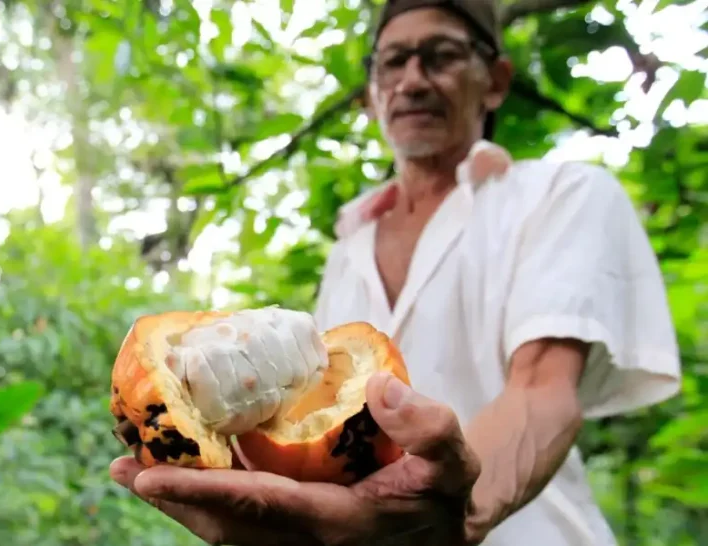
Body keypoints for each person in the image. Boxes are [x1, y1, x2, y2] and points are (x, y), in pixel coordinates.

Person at [109, 0, 682, 544]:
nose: (412, 81)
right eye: (393, 61)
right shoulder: (348, 247)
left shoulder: (563, 194)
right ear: (371, 93)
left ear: (496, 80)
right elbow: (310, 424)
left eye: (442, 56)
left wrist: (460, 511)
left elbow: (543, 388)